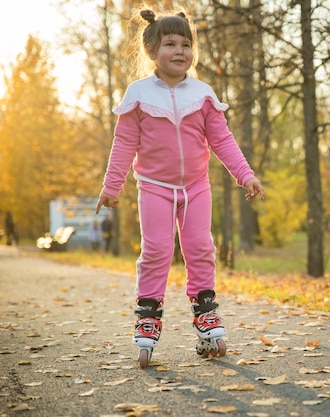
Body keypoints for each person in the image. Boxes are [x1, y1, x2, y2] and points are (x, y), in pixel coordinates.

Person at [95, 8, 264, 366]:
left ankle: (205, 312)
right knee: (156, 250)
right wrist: (112, 186)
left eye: (186, 44)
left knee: (201, 246)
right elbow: (124, 143)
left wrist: (245, 174)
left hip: (196, 188)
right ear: (152, 50)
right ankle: (148, 315)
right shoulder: (139, 94)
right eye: (170, 43)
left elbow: (223, 140)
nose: (180, 51)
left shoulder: (201, 93)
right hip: (154, 187)